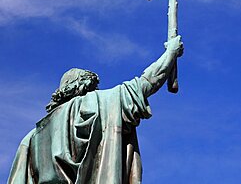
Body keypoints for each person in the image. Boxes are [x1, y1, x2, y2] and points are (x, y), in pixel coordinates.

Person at [8, 35, 184, 184]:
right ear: (85, 86)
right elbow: (145, 84)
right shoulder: (105, 102)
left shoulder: (31, 139)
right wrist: (170, 54)